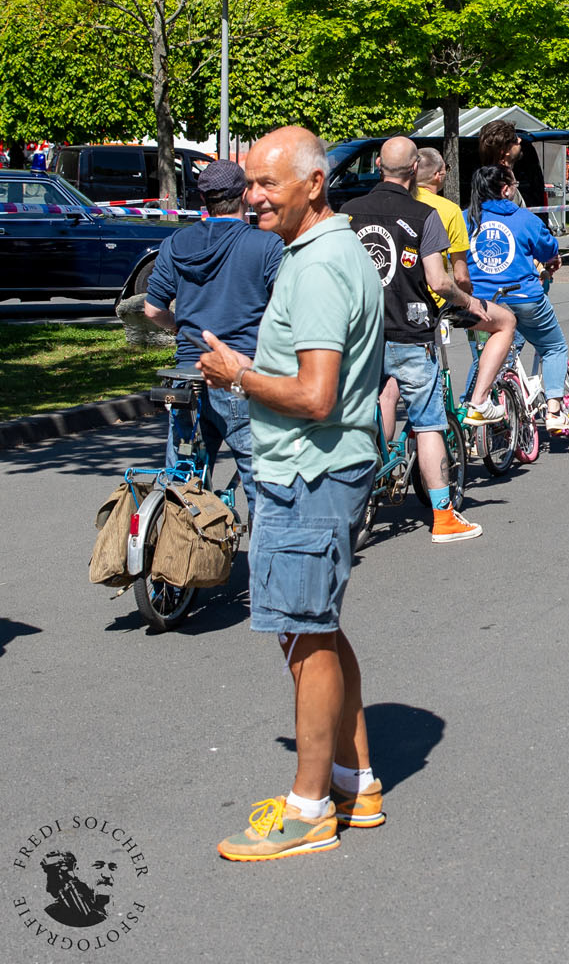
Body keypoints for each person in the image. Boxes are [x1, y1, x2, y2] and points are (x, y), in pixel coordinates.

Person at [197, 126, 386, 862]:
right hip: (320, 467)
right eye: (250, 183)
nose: (253, 197)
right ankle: (355, 780)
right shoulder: (329, 253)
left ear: (313, 184)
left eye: (268, 183)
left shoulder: (315, 267)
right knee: (320, 628)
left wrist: (238, 376)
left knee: (305, 636)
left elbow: (314, 395)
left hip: (307, 471)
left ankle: (310, 810)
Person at [343, 137, 486, 544]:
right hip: (411, 331)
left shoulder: (348, 213)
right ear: (412, 172)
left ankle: (364, 489)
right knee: (427, 424)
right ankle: (443, 516)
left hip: (360, 334)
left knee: (367, 410)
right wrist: (468, 302)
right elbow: (439, 280)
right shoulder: (425, 216)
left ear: (378, 166)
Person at [143, 159, 283, 525]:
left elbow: (152, 309)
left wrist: (181, 331)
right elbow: (286, 311)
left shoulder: (176, 242)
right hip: (239, 374)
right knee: (261, 480)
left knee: (181, 479)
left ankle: (174, 562)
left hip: (187, 374)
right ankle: (271, 568)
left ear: (203, 198)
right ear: (246, 197)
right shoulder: (266, 245)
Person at [466, 163, 569, 435]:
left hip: (480, 302)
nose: (516, 190)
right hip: (523, 296)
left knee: (486, 356)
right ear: (505, 189)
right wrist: (551, 261)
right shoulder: (524, 218)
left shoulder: (467, 218)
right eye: (513, 185)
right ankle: (554, 412)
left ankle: (474, 405)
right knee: (553, 347)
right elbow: (548, 248)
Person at [414, 147, 472, 300]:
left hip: (400, 298)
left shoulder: (399, 202)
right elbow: (461, 276)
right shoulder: (450, 210)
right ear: (437, 175)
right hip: (436, 301)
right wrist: (468, 298)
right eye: (446, 168)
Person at [479, 118, 545, 211]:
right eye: (514, 139)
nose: (519, 140)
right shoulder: (500, 187)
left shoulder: (487, 180)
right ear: (505, 151)